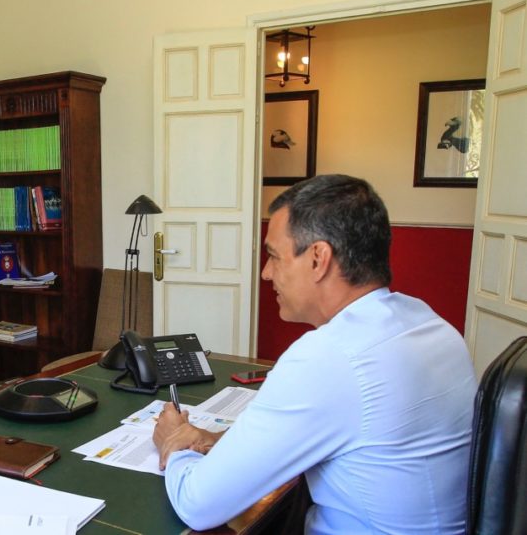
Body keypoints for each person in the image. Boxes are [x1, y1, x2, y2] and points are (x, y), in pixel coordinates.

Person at [153, 174, 476, 534]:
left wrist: (174, 442)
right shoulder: (429, 324)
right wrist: (215, 440)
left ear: (319, 258)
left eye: (274, 256)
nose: (265, 272)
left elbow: (198, 504)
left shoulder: (330, 357)